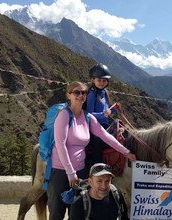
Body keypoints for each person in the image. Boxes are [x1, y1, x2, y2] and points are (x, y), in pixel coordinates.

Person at [48, 81, 136, 220]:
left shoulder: (88, 117)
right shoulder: (64, 115)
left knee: (77, 211)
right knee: (57, 212)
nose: (81, 95)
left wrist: (126, 152)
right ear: (68, 95)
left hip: (80, 170)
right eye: (76, 92)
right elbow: (60, 144)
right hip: (60, 171)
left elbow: (105, 135)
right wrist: (70, 172)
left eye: (84, 92)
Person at [85, 63, 120, 164]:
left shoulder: (104, 92)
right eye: (99, 80)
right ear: (93, 80)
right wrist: (102, 114)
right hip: (94, 127)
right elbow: (88, 114)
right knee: (98, 146)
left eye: (104, 80)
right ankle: (97, 166)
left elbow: (107, 111)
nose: (101, 82)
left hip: (104, 125)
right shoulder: (92, 94)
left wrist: (114, 109)